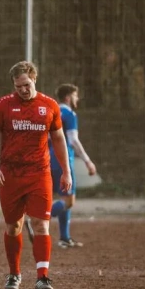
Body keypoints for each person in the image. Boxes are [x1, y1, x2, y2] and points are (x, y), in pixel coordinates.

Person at [0, 61, 72, 289]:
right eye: (18, 86)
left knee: (41, 224)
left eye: (26, 84)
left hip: (39, 173)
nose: (22, 89)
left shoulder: (49, 105)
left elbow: (59, 139)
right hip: (10, 175)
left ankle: (43, 276)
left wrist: (66, 171)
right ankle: (14, 274)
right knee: (13, 227)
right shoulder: (3, 105)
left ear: (35, 79)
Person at [45, 84, 97, 248]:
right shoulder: (69, 114)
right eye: (75, 96)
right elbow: (73, 140)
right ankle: (38, 220)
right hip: (64, 160)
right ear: (68, 97)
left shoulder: (50, 112)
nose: (77, 99)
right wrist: (88, 161)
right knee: (69, 201)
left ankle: (64, 237)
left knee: (63, 198)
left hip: (48, 159)